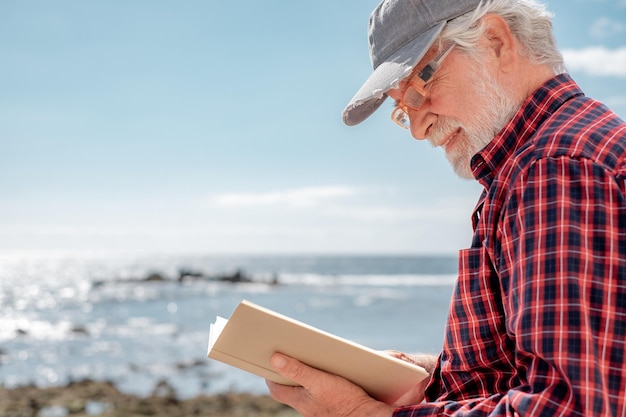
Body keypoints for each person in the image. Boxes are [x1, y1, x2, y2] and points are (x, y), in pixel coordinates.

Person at [266, 0, 626, 416]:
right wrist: (439, 376)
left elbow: (570, 406)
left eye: (421, 86)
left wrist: (363, 414)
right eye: (403, 110)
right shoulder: (551, 160)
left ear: (495, 40)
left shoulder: (554, 171)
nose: (418, 128)